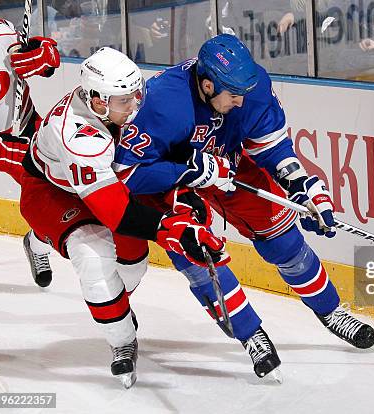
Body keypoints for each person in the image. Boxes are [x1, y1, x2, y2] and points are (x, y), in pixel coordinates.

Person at [113, 34, 374, 369]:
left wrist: (301, 184)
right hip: (169, 178)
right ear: (207, 85)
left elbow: (271, 145)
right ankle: (249, 333)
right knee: (197, 249)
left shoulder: (250, 88)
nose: (241, 102)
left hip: (229, 163)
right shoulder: (163, 101)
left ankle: (331, 310)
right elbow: (129, 173)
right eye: (233, 95)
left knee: (282, 238)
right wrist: (191, 172)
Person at [19, 47, 230, 388]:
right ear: (98, 102)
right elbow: (116, 212)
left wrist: (182, 190)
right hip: (50, 192)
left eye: (136, 95)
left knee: (132, 262)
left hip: (97, 183)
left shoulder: (115, 107)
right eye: (124, 101)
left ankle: (48, 245)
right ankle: (122, 340)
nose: (134, 106)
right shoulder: (79, 138)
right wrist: (170, 228)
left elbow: (149, 162)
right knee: (93, 256)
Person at [0, 17, 61, 287]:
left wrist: (39, 55)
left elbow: (47, 58)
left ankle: (38, 243)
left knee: (59, 195)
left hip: (23, 125)